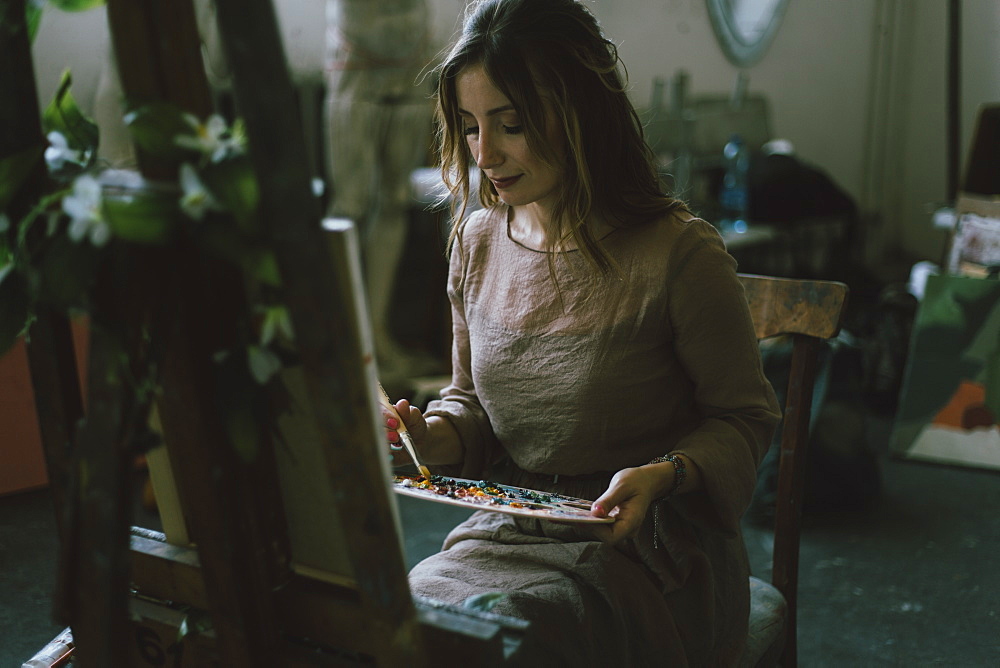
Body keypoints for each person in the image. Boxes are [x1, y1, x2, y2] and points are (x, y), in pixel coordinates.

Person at [382, 0, 781, 664]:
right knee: (414, 618)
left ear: (581, 112)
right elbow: (473, 405)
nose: (488, 154)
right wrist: (425, 435)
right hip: (512, 531)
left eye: (511, 124)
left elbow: (743, 418)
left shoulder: (679, 254)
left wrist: (666, 474)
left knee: (510, 636)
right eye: (471, 127)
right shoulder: (477, 241)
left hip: (650, 551)